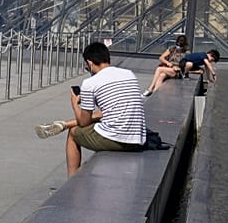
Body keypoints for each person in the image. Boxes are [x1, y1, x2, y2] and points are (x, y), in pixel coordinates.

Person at [35, 41, 146, 175]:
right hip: (138, 138)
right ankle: (63, 124)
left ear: (90, 63)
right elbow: (108, 111)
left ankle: (72, 178)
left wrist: (74, 103)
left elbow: (84, 122)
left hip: (117, 139)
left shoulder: (90, 83)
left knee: (73, 132)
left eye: (87, 67)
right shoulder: (129, 74)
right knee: (101, 115)